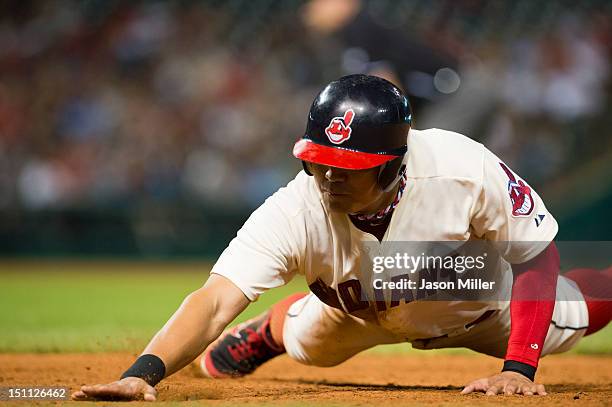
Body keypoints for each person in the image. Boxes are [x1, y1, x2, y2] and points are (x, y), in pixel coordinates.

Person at [72, 75, 611, 401]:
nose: (328, 177)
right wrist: (141, 374)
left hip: (465, 289)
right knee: (310, 347)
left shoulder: (460, 167)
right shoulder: (296, 208)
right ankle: (267, 333)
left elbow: (535, 254)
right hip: (357, 304)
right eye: (319, 163)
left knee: (577, 312)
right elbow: (214, 299)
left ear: (392, 166)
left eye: (346, 166)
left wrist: (518, 369)